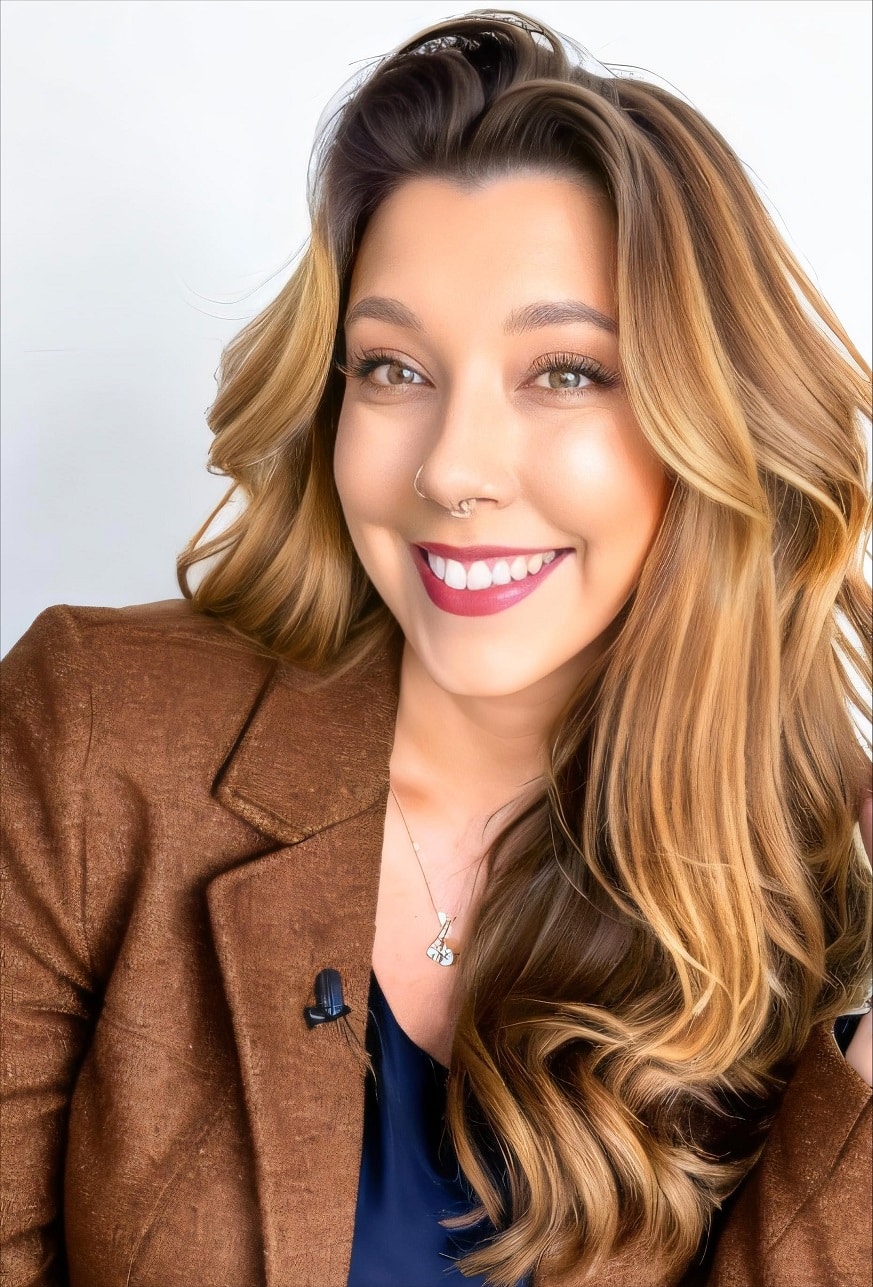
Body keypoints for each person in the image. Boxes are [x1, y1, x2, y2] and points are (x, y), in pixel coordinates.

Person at [1, 10, 871, 1287]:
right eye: (394, 368)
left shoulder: (799, 878)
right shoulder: (95, 745)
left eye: (566, 373)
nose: (454, 470)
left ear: (711, 424)